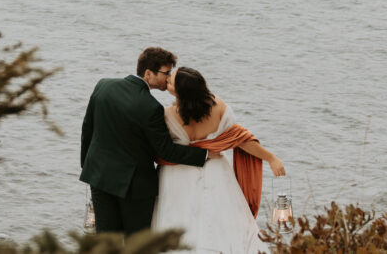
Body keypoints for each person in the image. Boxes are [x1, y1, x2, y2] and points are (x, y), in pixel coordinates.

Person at [80, 47, 214, 237]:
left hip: (100, 178)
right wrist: (206, 154)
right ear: (149, 73)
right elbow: (167, 151)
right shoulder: (151, 107)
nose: (168, 79)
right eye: (166, 73)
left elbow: (87, 129)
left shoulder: (103, 85)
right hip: (134, 188)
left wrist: (88, 167)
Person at [151, 66, 286, 254]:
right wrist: (270, 158)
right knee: (220, 221)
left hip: (177, 174)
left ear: (181, 92)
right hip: (215, 170)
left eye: (171, 80)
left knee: (179, 217)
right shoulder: (218, 107)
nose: (167, 80)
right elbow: (240, 139)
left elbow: (161, 148)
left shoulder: (167, 115)